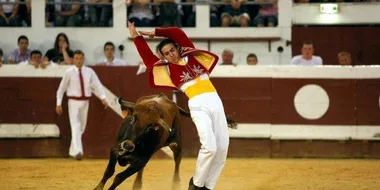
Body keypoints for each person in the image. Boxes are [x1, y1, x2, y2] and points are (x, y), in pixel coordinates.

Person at [128, 21, 230, 190]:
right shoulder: (166, 69)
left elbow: (177, 33)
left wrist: (154, 32)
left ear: (178, 48)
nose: (171, 55)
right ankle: (196, 184)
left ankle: (208, 187)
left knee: (222, 148)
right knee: (210, 147)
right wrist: (136, 37)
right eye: (166, 54)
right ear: (164, 57)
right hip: (197, 104)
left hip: (215, 101)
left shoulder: (192, 55)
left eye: (172, 50)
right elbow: (147, 57)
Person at [56, 50, 108, 160]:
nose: (79, 61)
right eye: (76, 58)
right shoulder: (69, 72)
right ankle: (79, 151)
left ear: (84, 59)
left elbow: (97, 85)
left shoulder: (89, 71)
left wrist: (103, 98)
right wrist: (58, 103)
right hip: (73, 102)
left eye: (80, 58)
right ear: (73, 59)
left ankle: (72, 152)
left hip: (85, 102)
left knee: (81, 128)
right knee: (76, 126)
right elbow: (61, 89)